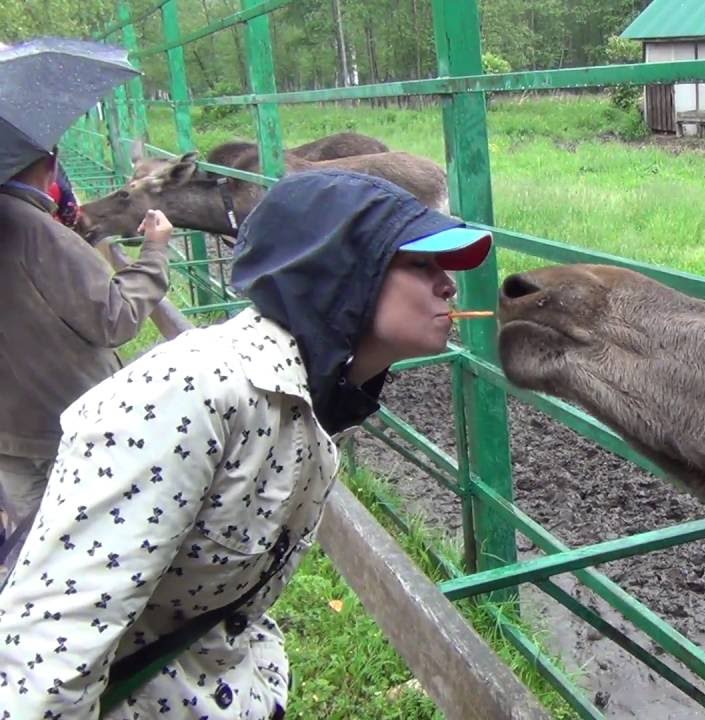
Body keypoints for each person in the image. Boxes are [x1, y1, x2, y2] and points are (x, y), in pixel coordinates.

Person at [0, 168, 493, 719]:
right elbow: (46, 658)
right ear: (342, 273)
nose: (449, 284)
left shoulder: (308, 398)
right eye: (421, 264)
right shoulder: (193, 393)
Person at [0, 149, 174, 539]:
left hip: (9, 434)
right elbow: (115, 317)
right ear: (50, 164)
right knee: (103, 543)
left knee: (36, 547)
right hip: (67, 427)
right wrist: (155, 251)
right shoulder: (33, 229)